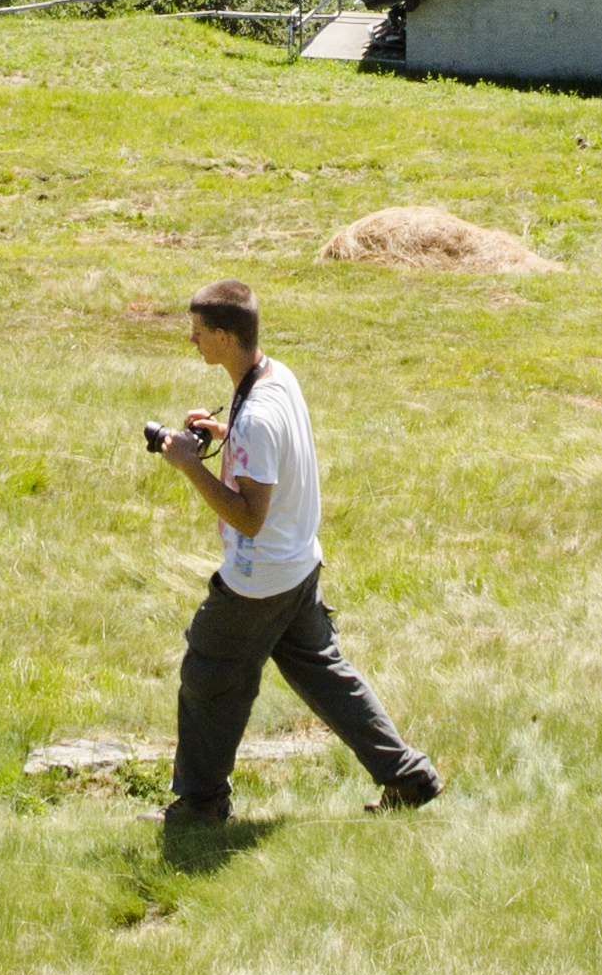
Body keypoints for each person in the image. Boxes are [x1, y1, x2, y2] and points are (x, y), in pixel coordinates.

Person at [153, 278, 439, 824]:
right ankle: (408, 777)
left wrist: (191, 465)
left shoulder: (257, 415)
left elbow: (249, 518)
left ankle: (201, 805)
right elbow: (268, 453)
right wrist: (222, 432)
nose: (191, 342)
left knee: (208, 677)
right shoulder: (272, 376)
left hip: (258, 580)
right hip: (299, 565)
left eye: (197, 334)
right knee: (326, 676)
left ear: (224, 336)